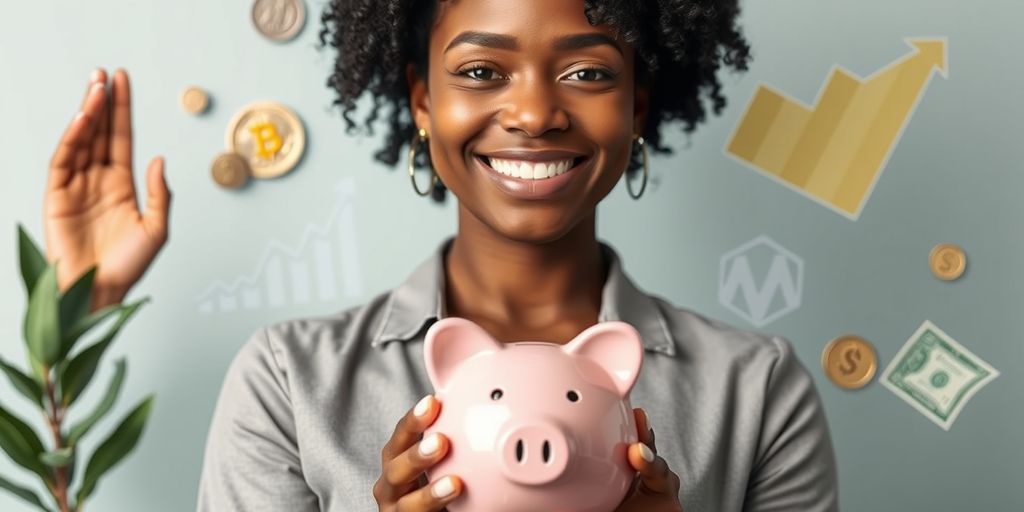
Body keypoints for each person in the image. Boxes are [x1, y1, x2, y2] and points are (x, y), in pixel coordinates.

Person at [42, 1, 839, 511]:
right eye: (482, 71)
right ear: (424, 101)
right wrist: (77, 305)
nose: (532, 111)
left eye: (589, 71)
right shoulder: (288, 382)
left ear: (635, 106)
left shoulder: (757, 388)